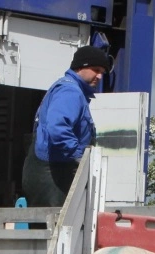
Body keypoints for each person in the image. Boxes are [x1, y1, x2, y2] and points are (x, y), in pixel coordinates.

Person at [22, 45, 109, 207]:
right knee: (57, 222)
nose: (99, 76)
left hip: (50, 171)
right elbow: (58, 128)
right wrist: (79, 157)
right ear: (80, 67)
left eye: (102, 72)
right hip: (53, 174)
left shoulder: (69, 89)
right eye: (96, 70)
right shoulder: (70, 92)